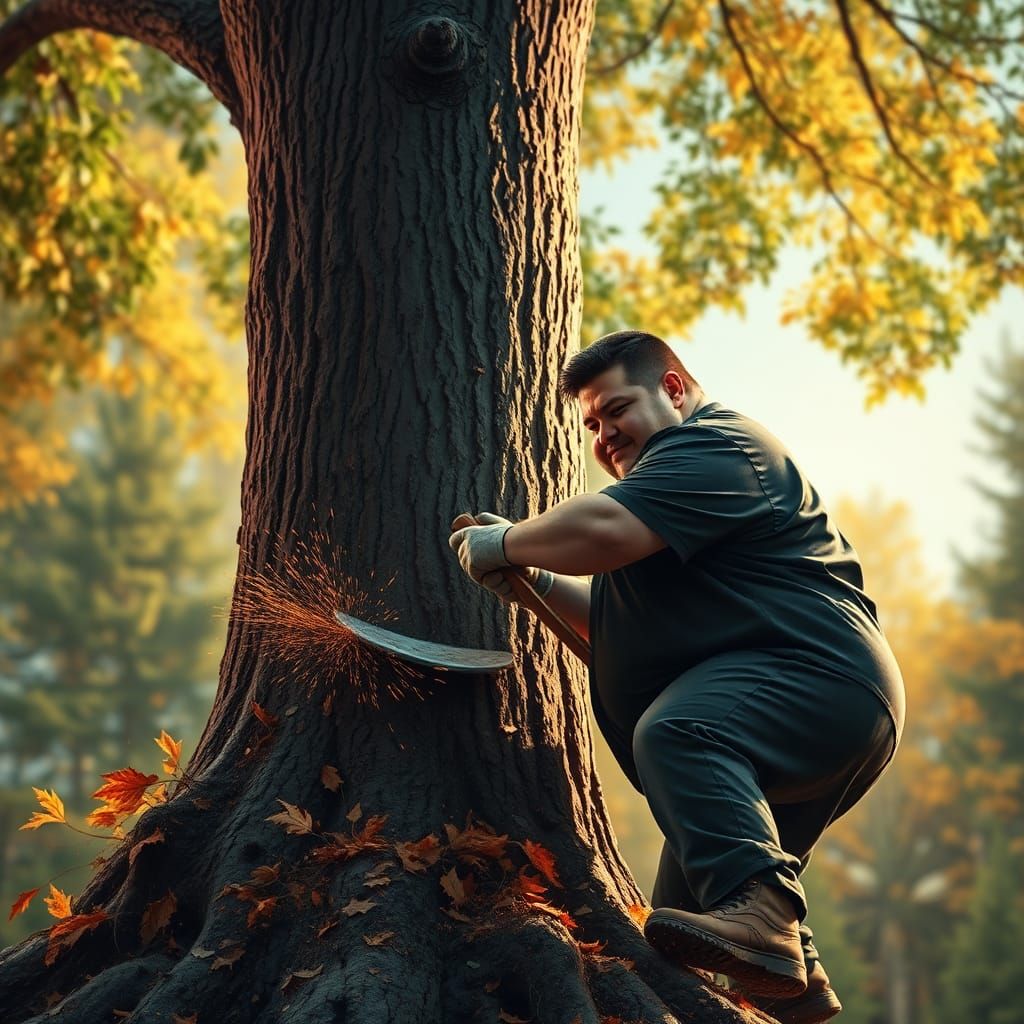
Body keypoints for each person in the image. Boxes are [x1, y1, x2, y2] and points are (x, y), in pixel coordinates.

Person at [448, 330, 905, 1024]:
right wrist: (533, 579)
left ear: (674, 388)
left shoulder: (715, 447)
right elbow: (611, 624)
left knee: (677, 730)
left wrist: (504, 540)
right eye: (592, 425)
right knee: (670, 947)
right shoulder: (671, 512)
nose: (604, 436)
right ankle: (791, 990)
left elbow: (602, 529)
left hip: (818, 680)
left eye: (616, 409)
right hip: (791, 717)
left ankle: (770, 920)